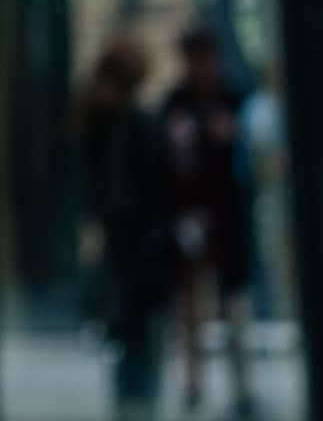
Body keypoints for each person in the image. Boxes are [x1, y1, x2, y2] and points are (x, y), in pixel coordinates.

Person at [73, 37, 171, 421]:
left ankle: (137, 402)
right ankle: (131, 402)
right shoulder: (99, 127)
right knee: (127, 330)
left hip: (141, 245)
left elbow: (155, 189)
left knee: (140, 332)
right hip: (122, 244)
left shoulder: (140, 127)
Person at [161, 27, 256, 419]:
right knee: (190, 308)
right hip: (190, 217)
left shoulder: (233, 97)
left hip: (228, 216)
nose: (201, 67)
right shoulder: (176, 102)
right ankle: (193, 385)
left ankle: (243, 388)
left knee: (235, 305)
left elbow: (249, 156)